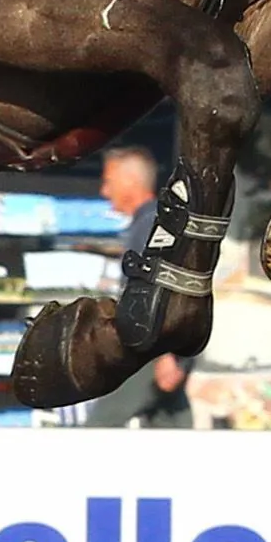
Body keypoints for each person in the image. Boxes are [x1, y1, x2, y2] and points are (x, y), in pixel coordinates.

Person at [97, 142, 195, 426]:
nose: (104, 192)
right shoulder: (151, 222)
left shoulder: (152, 225)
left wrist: (167, 355)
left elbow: (164, 289)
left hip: (149, 351)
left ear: (130, 181)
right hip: (158, 348)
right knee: (170, 428)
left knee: (97, 431)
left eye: (108, 182)